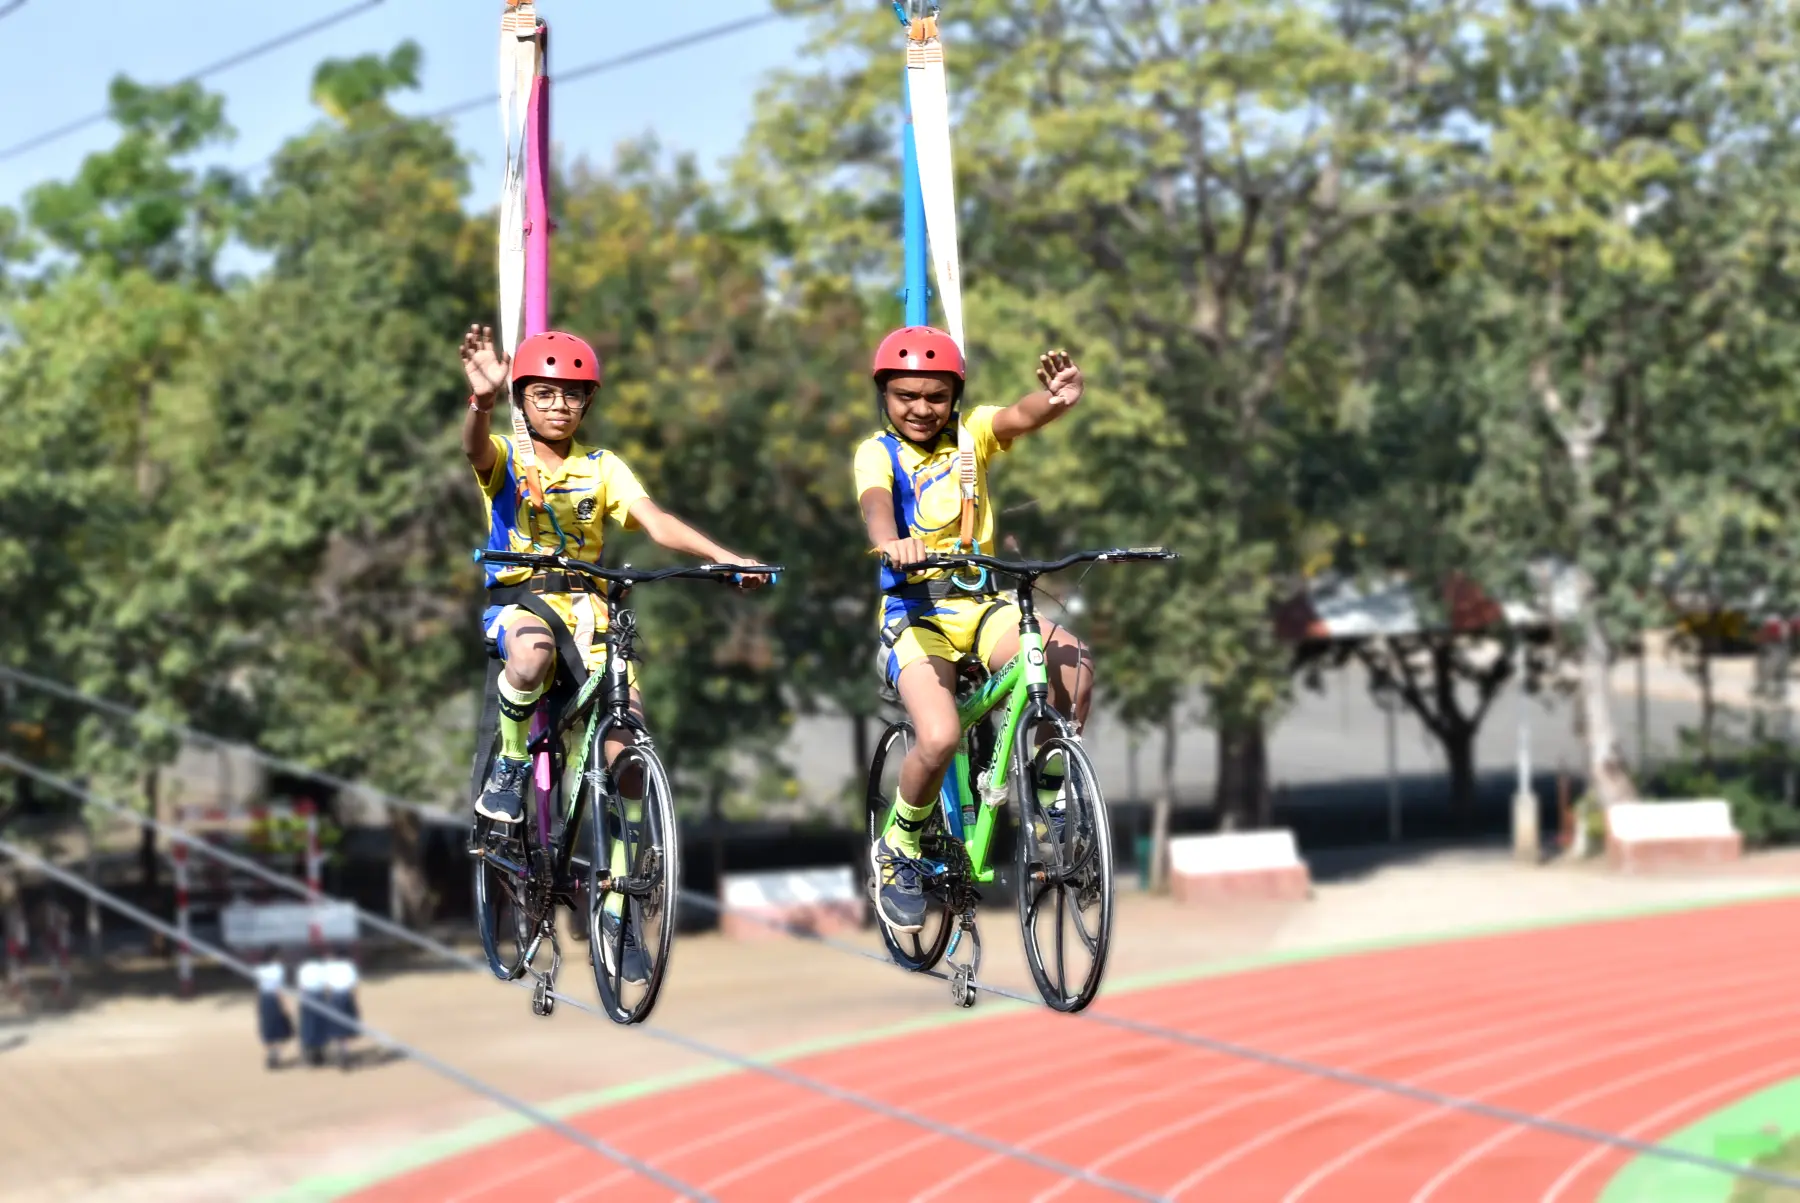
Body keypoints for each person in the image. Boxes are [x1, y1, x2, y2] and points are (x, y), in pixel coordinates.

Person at [459, 324, 765, 984]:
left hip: (595, 613)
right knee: (533, 653)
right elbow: (474, 450)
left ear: (588, 404)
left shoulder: (604, 468)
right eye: (545, 394)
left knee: (627, 749)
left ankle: (618, 905)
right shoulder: (509, 458)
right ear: (522, 400)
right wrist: (479, 403)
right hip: (525, 603)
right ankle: (511, 769)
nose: (560, 406)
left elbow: (653, 520)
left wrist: (723, 557)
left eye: (573, 396)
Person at [853, 326, 1093, 937]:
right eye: (907, 395)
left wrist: (1058, 400)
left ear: (954, 396)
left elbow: (1019, 416)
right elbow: (877, 505)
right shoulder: (876, 453)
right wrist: (890, 545)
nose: (921, 408)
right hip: (916, 614)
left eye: (936, 396)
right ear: (885, 393)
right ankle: (900, 846)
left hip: (981, 606)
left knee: (1066, 660)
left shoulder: (972, 436)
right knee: (938, 737)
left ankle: (1051, 798)